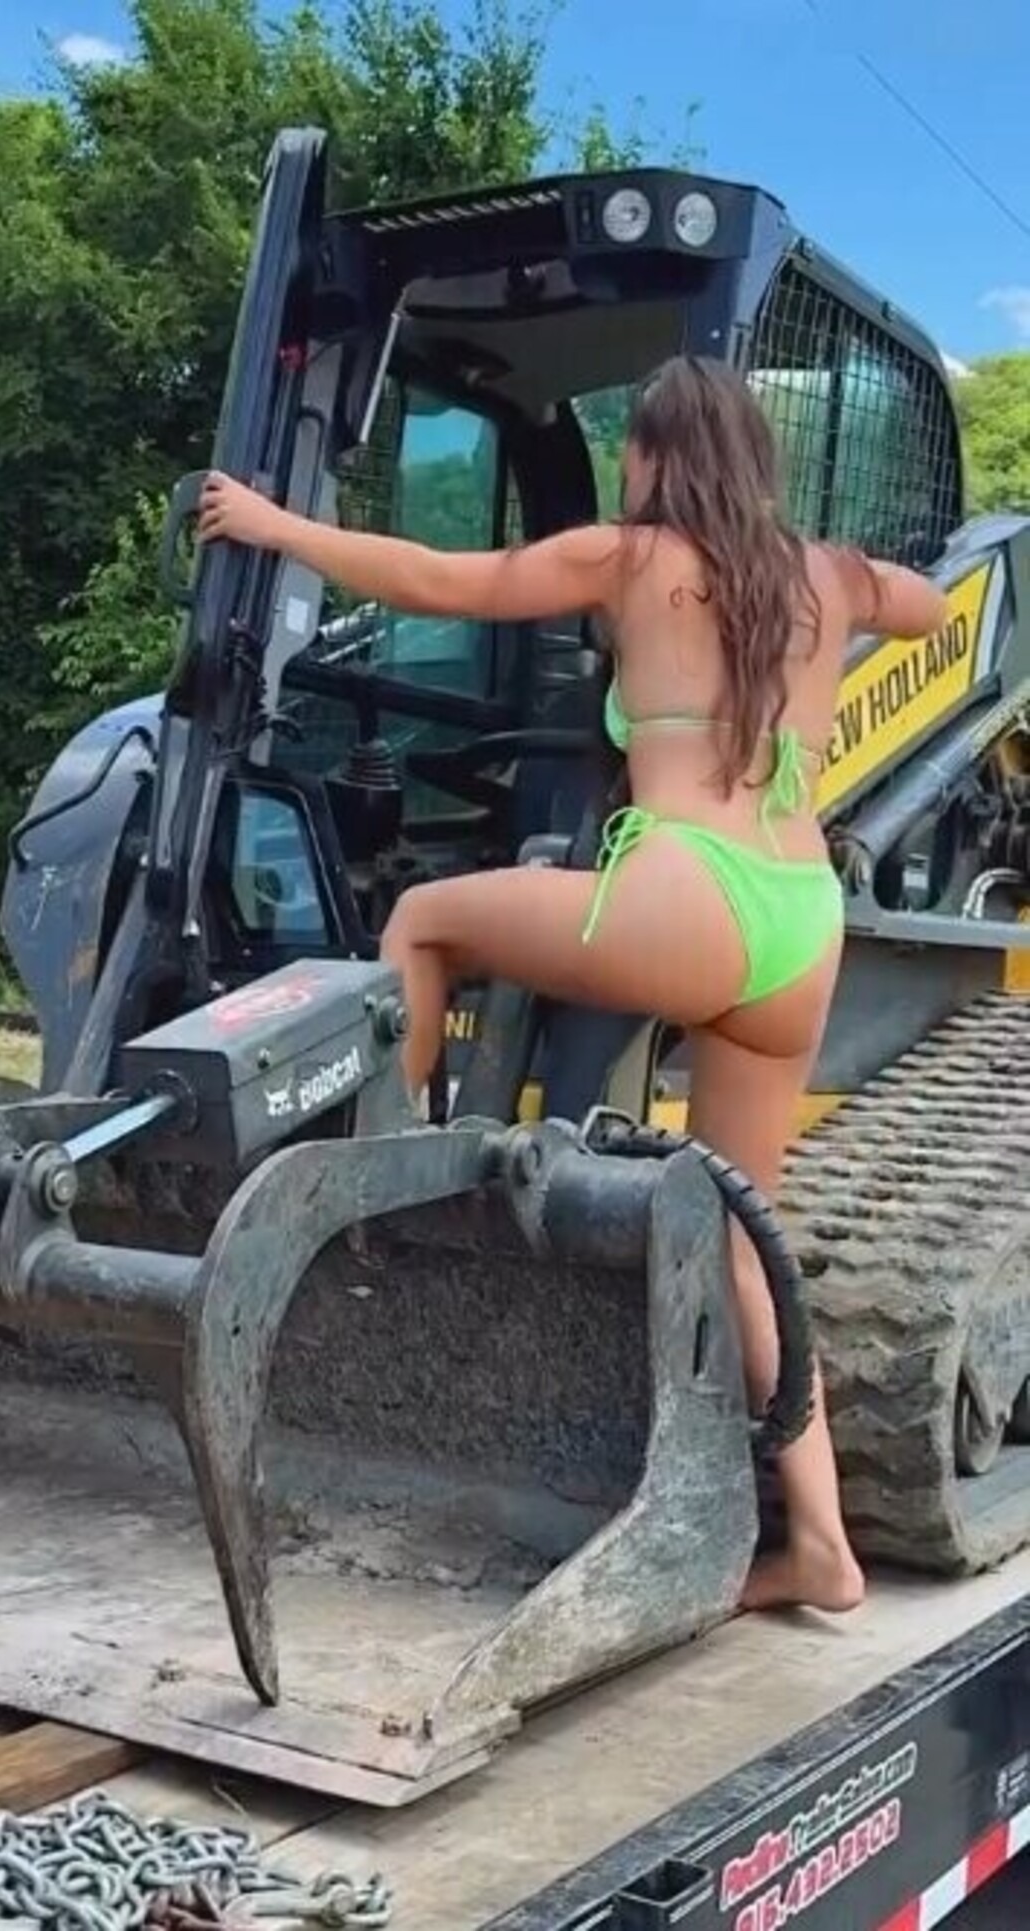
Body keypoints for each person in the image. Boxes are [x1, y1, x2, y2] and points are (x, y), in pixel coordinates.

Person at [198, 354, 947, 1617]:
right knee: (745, 1238)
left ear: (652, 457)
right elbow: (925, 607)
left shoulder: (630, 556)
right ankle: (823, 1542)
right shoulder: (831, 576)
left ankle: (377, 1209)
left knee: (426, 918)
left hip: (689, 890)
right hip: (801, 918)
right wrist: (855, 576)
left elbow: (440, 580)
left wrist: (274, 525)